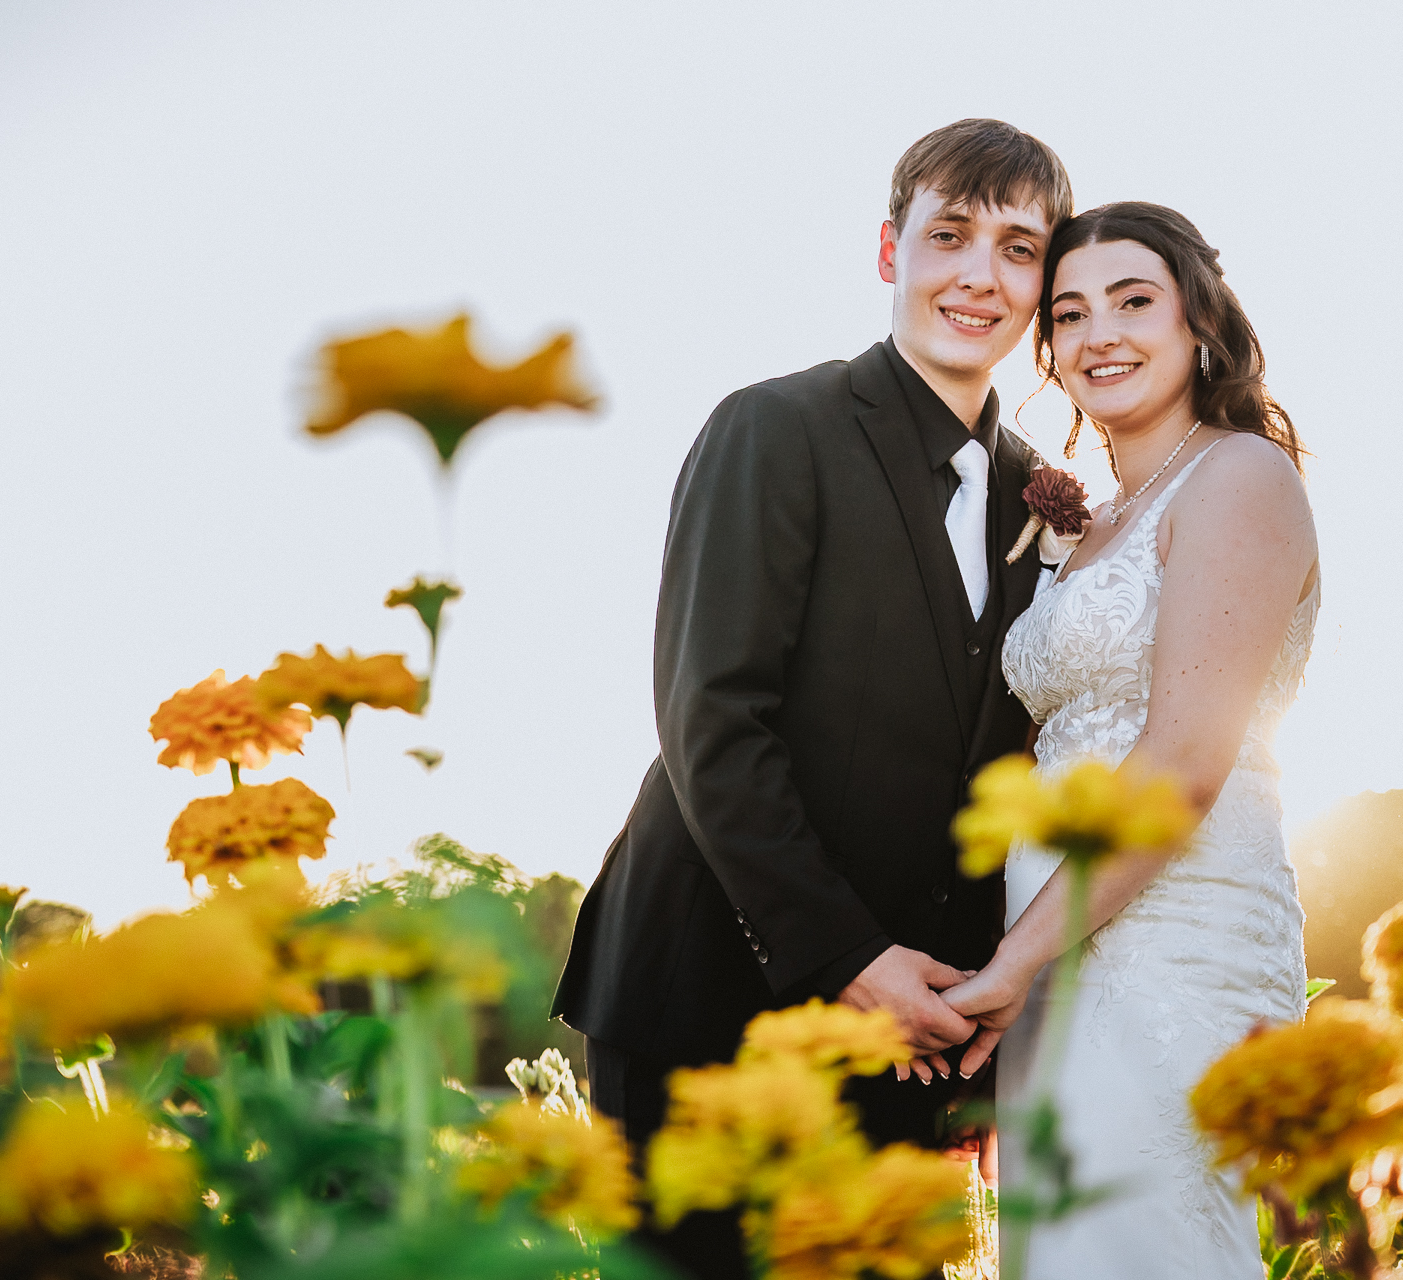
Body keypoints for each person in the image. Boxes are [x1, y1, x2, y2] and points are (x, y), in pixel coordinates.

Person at [551, 118, 1072, 1279]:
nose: (979, 275)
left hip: (903, 1045)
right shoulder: (773, 428)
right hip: (708, 1007)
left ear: (1046, 284)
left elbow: (994, 776)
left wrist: (967, 1024)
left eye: (1020, 248)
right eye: (949, 234)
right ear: (890, 250)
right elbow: (710, 724)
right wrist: (849, 956)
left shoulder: (1037, 496)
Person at [930, 201, 1319, 1276]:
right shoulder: (1090, 522)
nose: (1099, 332)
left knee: (1142, 1237)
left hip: (1173, 924)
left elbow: (1186, 761)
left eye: (1133, 300)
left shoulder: (1241, 476)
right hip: (1050, 926)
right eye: (1070, 311)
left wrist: (1010, 962)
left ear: (1197, 317)